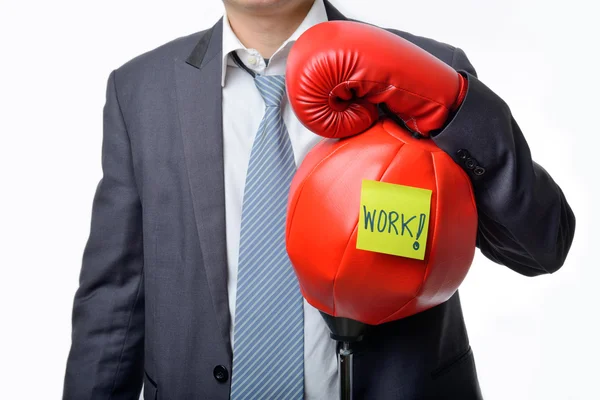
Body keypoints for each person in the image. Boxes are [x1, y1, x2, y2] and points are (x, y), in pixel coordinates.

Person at [62, 0, 576, 399]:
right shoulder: (141, 91)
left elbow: (542, 246)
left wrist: (450, 106)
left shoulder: (425, 69)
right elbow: (113, 305)